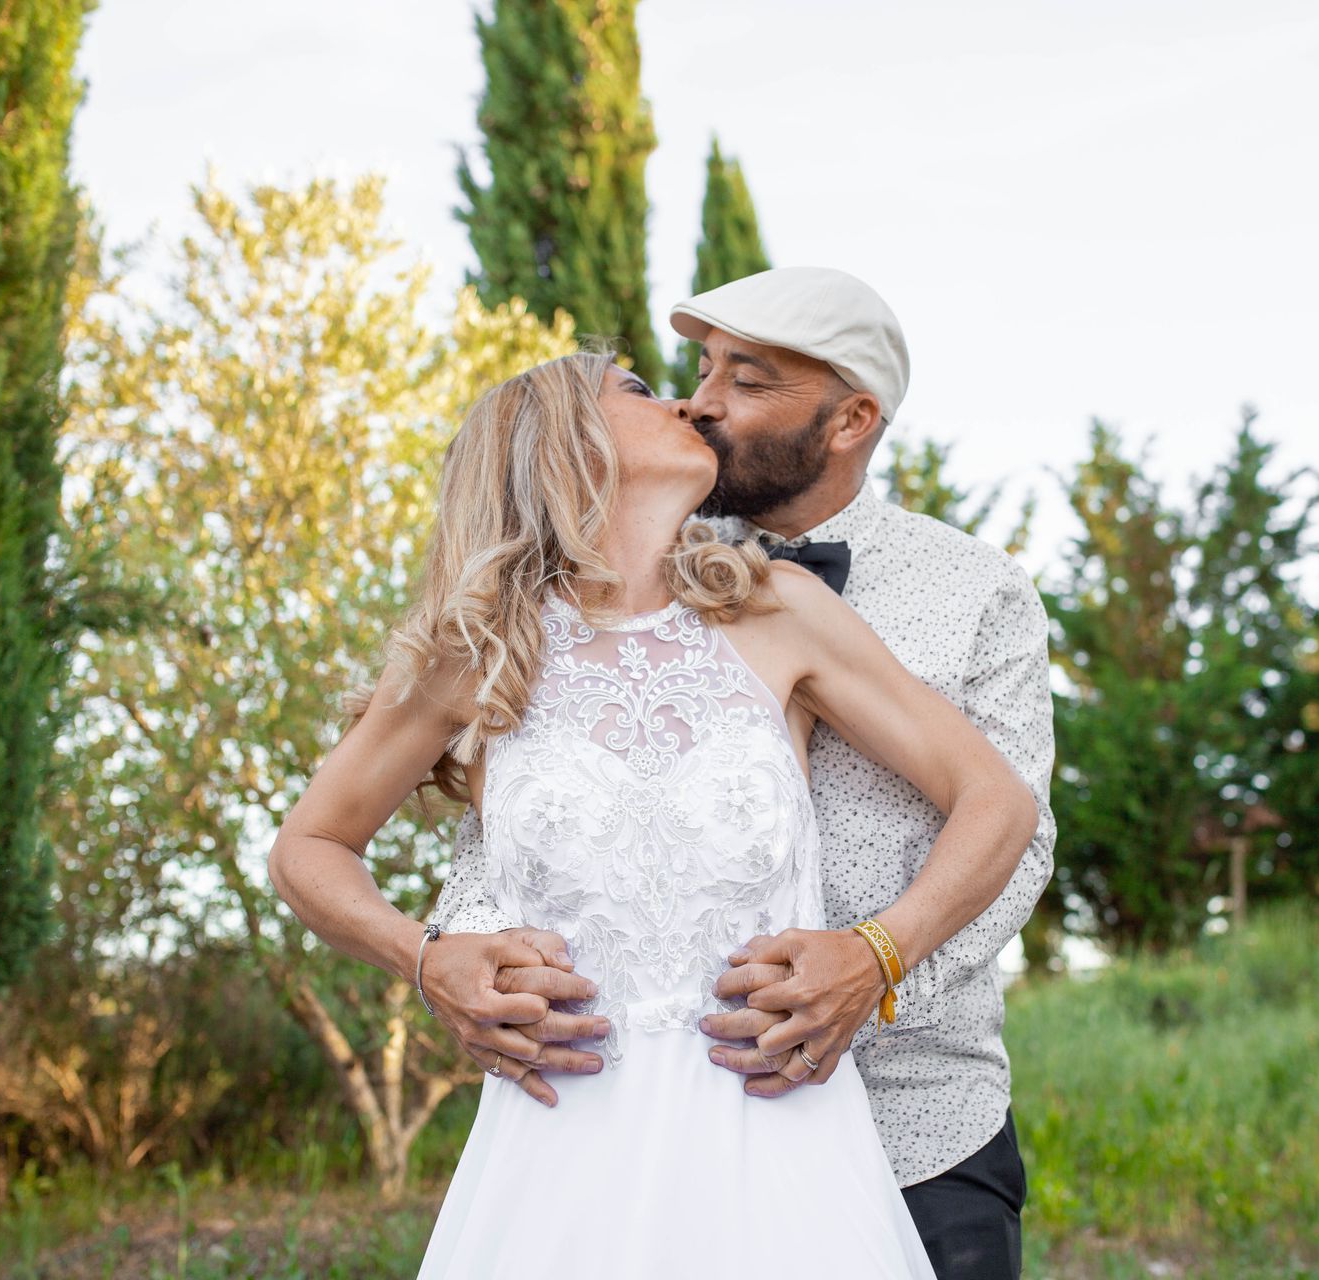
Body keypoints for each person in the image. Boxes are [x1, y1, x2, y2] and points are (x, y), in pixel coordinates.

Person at [266, 345, 1039, 1277]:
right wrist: (426, 956)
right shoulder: (472, 654)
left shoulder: (777, 610)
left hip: (781, 1146)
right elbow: (309, 845)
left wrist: (879, 951)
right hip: (560, 1153)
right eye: (636, 389)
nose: (686, 402)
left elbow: (995, 798)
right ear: (561, 442)